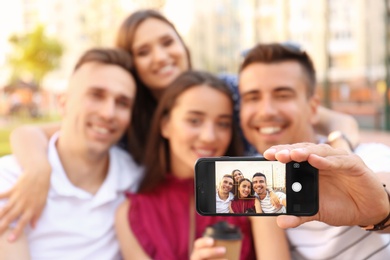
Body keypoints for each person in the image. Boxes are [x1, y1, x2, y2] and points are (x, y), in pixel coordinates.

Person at [0, 9, 361, 241]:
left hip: (253, 196)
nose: (160, 56)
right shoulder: (127, 117)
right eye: (143, 52)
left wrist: (340, 147)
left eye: (167, 42)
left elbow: (326, 115)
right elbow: (34, 131)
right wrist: (37, 170)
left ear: (182, 45)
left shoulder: (228, 89)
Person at [115, 70, 290, 260]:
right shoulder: (131, 214)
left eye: (223, 124)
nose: (209, 136)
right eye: (194, 120)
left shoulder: (254, 197)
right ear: (165, 124)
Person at [238, 42, 390, 259]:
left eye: (283, 95)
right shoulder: (256, 184)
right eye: (252, 97)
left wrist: (379, 208)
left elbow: (384, 185)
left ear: (313, 107)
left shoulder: (363, 157)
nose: (266, 111)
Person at [0, 48, 143, 259]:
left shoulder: (135, 179)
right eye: (96, 95)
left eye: (122, 103)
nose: (108, 113)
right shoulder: (11, 179)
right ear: (63, 103)